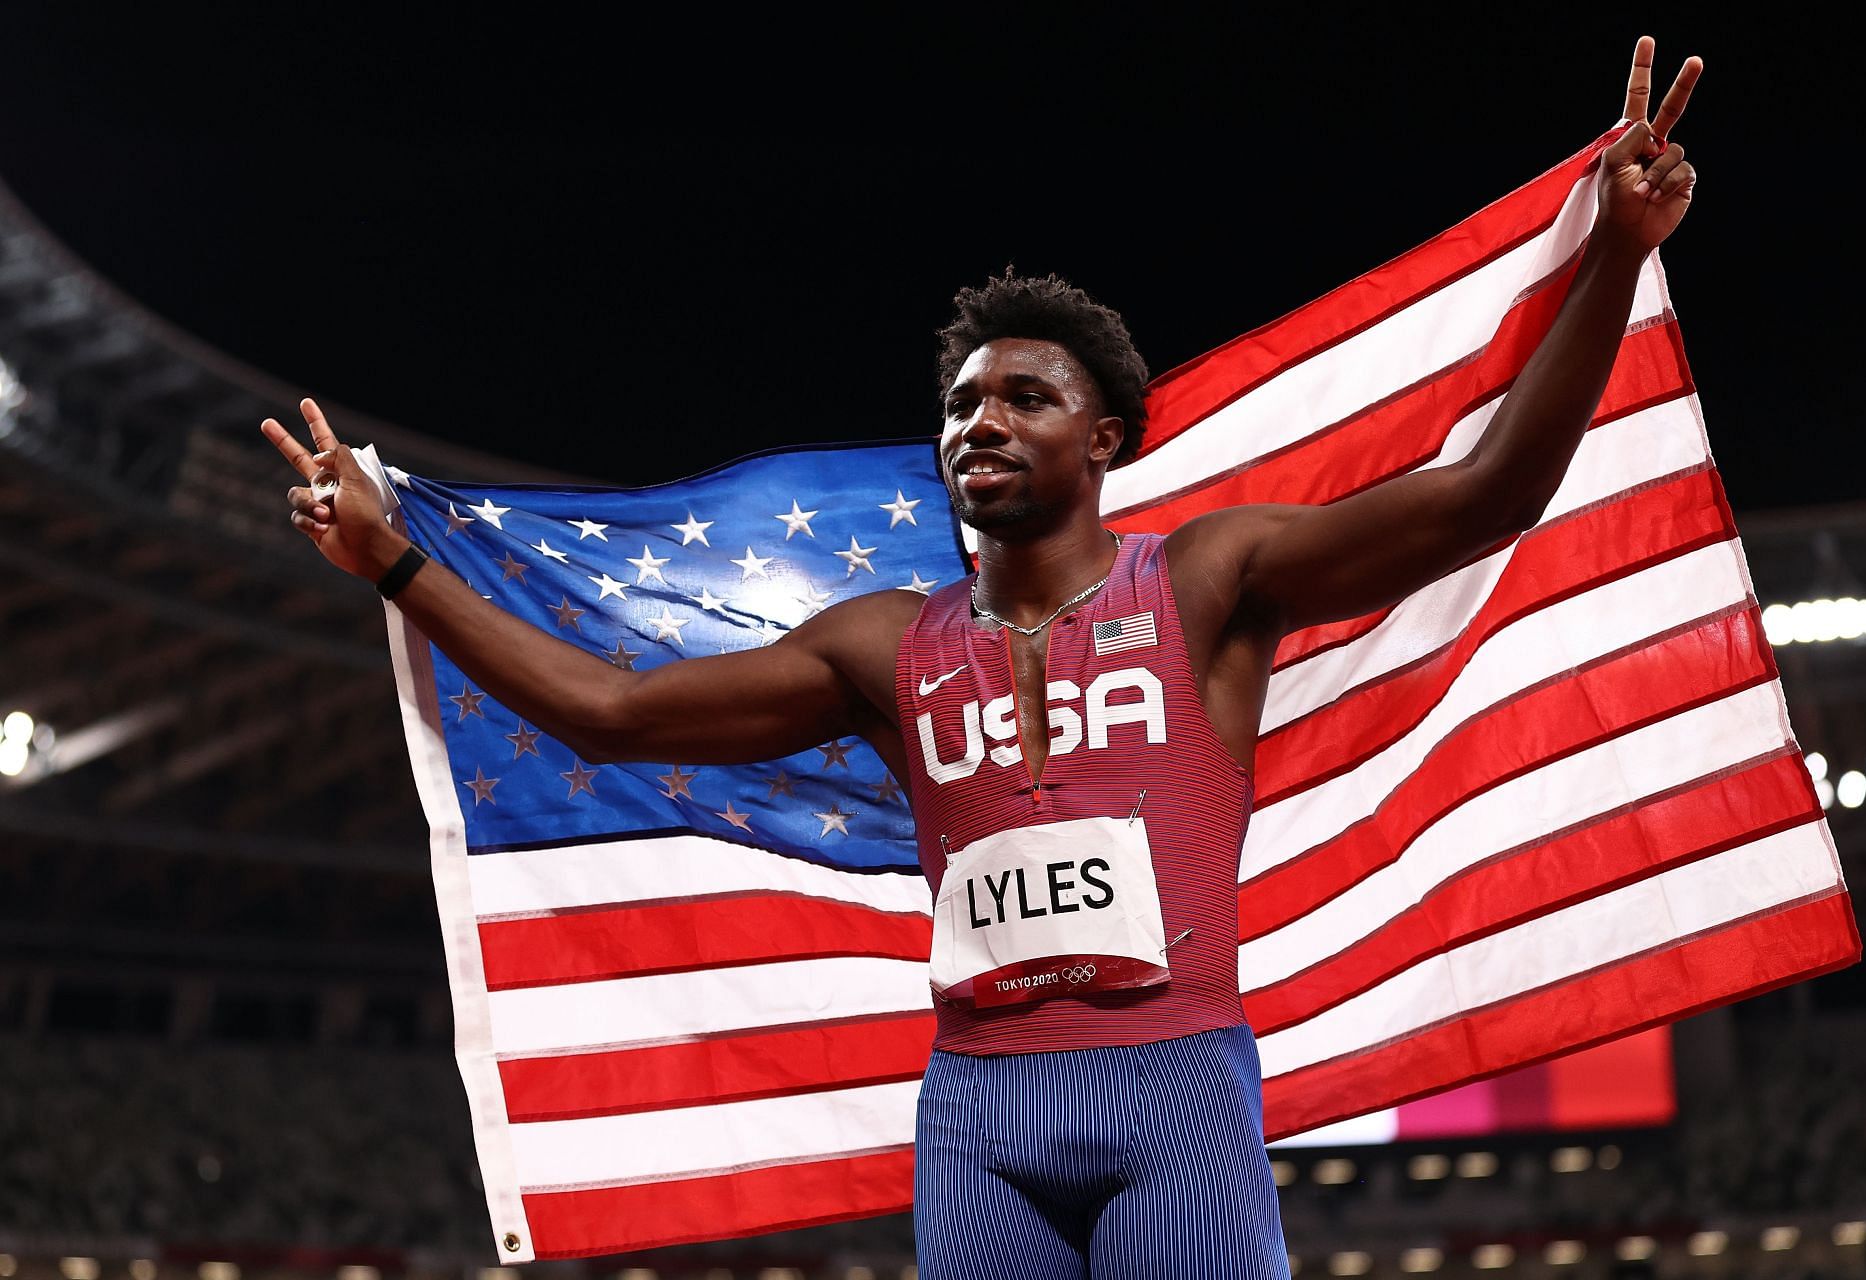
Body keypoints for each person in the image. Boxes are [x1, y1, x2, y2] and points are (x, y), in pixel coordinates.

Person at [263, 37, 1700, 1279]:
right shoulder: (885, 645)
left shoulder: (1208, 582)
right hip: (978, 1118)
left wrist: (1620, 250)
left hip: (1175, 1089)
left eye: (1027, 395)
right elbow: (616, 711)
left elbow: (1490, 494)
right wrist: (398, 563)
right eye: (962, 403)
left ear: (1104, 439)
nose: (983, 422)